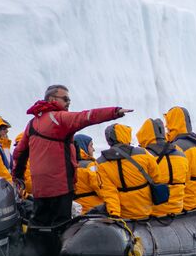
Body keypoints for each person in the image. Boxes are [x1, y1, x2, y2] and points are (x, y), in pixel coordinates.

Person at [12, 84, 131, 226]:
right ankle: (56, 247)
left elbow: (20, 153)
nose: (68, 103)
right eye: (65, 99)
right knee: (60, 226)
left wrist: (18, 176)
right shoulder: (59, 118)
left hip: (39, 187)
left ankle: (34, 247)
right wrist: (115, 112)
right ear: (51, 99)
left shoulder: (32, 123)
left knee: (40, 223)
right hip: (60, 185)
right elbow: (86, 116)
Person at [97, 123, 162, 220]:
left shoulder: (101, 162)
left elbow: (109, 192)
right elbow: (156, 176)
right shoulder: (143, 153)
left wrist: (114, 213)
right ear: (126, 135)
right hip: (146, 209)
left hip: (124, 215)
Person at [136, 118, 187, 216]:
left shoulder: (145, 157)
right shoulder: (181, 154)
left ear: (144, 135)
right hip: (178, 208)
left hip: (155, 211)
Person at [164, 106, 196, 211]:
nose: (166, 126)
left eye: (168, 121)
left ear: (174, 122)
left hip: (185, 204)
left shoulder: (178, 148)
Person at [72, 134, 105, 215]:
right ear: (83, 146)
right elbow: (102, 190)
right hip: (94, 209)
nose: (93, 149)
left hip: (75, 211)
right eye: (91, 146)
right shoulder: (90, 166)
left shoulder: (67, 166)